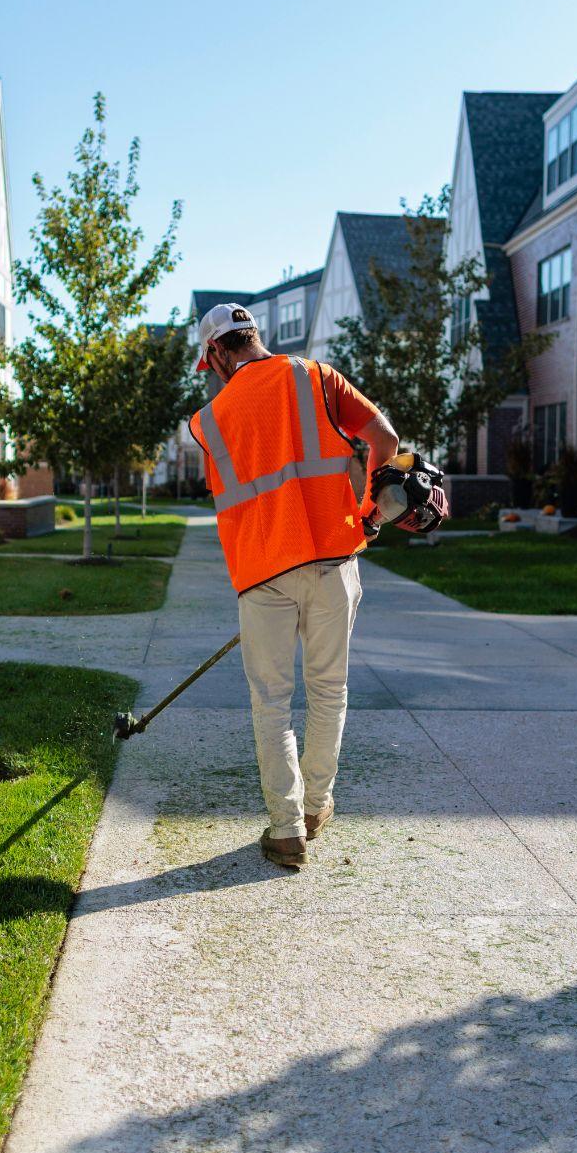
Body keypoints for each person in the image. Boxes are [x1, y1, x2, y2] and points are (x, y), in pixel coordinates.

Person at [188, 302, 399, 868]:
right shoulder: (315, 376)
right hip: (334, 560)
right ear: (254, 336)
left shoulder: (206, 422)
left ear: (215, 353)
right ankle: (316, 808)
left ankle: (285, 832)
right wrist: (370, 511)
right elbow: (384, 437)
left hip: (263, 576)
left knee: (271, 702)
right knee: (329, 689)